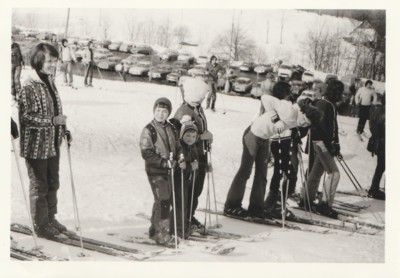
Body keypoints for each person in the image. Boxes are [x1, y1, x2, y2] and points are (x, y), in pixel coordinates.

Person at [224, 81, 322, 218]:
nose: (303, 123)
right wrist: (277, 120)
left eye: (307, 124)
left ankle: (256, 207)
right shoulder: (290, 111)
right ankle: (231, 206)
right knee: (245, 171)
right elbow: (265, 98)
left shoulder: (297, 120)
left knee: (262, 174)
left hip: (264, 139)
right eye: (304, 120)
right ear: (303, 112)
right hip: (253, 134)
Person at [17, 42, 72, 238]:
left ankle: (50, 218)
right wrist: (51, 121)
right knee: (40, 185)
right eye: (49, 60)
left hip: (52, 143)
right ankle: (41, 225)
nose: (53, 64)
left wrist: (63, 128)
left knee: (52, 182)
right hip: (36, 146)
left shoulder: (50, 81)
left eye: (55, 60)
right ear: (39, 60)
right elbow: (26, 117)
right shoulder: (29, 85)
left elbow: (56, 112)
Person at [139, 97, 182, 246]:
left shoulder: (171, 127)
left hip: (168, 170)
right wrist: (164, 162)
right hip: (155, 170)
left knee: (161, 200)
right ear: (153, 111)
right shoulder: (149, 129)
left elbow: (177, 144)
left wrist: (180, 156)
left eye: (164, 111)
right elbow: (146, 153)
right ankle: (162, 234)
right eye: (158, 111)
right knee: (164, 201)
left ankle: (154, 230)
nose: (161, 114)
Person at [299, 80, 344, 219]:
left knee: (316, 171)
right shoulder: (327, 105)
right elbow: (327, 128)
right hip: (322, 143)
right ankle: (324, 204)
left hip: (317, 142)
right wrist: (332, 146)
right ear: (335, 92)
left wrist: (335, 145)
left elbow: (331, 127)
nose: (341, 95)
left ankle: (306, 198)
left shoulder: (321, 102)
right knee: (334, 174)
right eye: (340, 92)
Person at [172, 78, 212, 229]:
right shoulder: (184, 112)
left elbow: (200, 128)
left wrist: (207, 136)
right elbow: (182, 137)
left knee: (197, 187)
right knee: (189, 186)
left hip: (200, 152)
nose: (204, 97)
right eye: (202, 94)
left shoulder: (197, 107)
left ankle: (190, 214)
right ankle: (183, 216)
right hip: (190, 155)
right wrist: (202, 137)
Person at [168, 121, 199, 239]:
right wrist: (190, 166)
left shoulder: (192, 147)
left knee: (185, 205)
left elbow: (194, 162)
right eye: (187, 135)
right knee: (179, 206)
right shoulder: (180, 148)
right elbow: (179, 167)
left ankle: (182, 226)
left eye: (193, 136)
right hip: (177, 182)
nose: (190, 139)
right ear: (181, 135)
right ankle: (176, 230)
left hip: (186, 182)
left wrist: (204, 166)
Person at [367, 93, 385, 200]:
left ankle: (374, 187)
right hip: (383, 142)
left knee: (381, 166)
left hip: (377, 141)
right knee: (381, 166)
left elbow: (371, 125)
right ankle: (374, 188)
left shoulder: (377, 110)